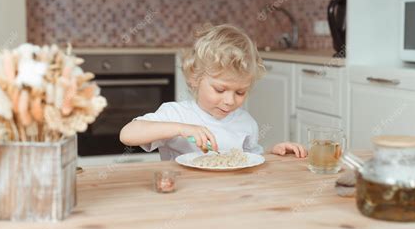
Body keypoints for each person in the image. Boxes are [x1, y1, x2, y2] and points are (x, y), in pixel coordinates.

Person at [120, 24, 307, 160]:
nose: (229, 101)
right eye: (220, 89)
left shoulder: (246, 122)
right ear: (194, 77)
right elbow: (127, 134)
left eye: (240, 92)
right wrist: (180, 129)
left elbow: (250, 160)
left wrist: (273, 153)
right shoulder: (176, 114)